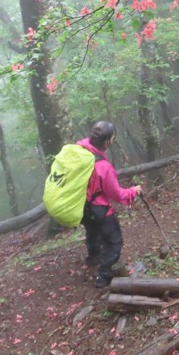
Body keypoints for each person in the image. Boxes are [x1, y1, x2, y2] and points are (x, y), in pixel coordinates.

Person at [78, 121, 142, 288]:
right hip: (98, 209)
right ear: (107, 142)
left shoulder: (77, 151)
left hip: (79, 206)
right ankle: (103, 276)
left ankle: (93, 257)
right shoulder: (103, 167)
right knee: (114, 241)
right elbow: (118, 195)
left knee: (92, 229)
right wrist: (134, 191)